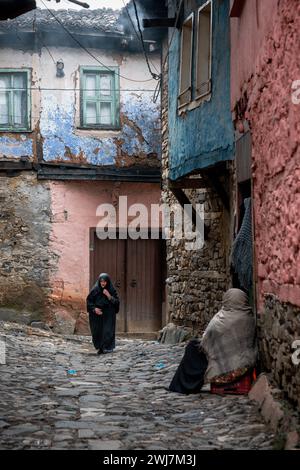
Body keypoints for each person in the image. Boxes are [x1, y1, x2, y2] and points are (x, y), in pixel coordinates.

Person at [168, 288, 257, 394]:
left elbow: (207, 341)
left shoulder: (224, 317)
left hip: (225, 369)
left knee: (192, 349)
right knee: (195, 348)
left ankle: (184, 385)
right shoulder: (248, 317)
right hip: (245, 365)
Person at [86, 273, 120, 354]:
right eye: (101, 281)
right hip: (97, 315)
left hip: (108, 314)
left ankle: (107, 347)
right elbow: (89, 301)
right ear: (99, 282)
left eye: (105, 281)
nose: (103, 283)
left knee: (108, 331)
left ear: (107, 282)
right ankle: (100, 347)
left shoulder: (111, 290)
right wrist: (94, 309)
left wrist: (109, 296)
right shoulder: (95, 290)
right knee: (97, 331)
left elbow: (117, 302)